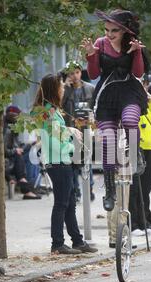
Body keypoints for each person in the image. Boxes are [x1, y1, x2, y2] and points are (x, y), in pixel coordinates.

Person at [82, 9, 149, 212]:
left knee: (130, 121)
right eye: (107, 29)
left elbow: (138, 72)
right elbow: (93, 74)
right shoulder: (100, 43)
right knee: (108, 142)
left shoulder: (132, 43)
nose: (109, 34)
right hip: (107, 93)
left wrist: (136, 53)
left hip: (129, 91)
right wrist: (91, 55)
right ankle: (109, 190)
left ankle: (136, 155)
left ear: (124, 31)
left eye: (114, 31)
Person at [34, 73, 97, 254]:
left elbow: (57, 136)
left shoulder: (51, 111)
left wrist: (68, 131)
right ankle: (58, 243)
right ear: (54, 89)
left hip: (61, 161)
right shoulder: (50, 113)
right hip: (59, 162)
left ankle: (76, 240)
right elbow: (54, 142)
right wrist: (73, 143)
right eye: (61, 87)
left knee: (69, 203)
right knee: (62, 203)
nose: (63, 90)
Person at [129, 85, 151, 236]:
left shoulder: (145, 106)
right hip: (137, 148)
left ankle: (144, 222)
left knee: (146, 188)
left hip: (149, 149)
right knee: (135, 189)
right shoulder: (131, 107)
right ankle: (134, 223)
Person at [62, 60, 96, 202]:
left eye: (77, 72)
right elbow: (60, 106)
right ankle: (75, 190)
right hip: (70, 130)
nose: (75, 76)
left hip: (86, 129)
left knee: (86, 160)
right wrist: (66, 88)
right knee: (73, 162)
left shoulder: (89, 88)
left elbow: (95, 107)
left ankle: (89, 188)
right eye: (71, 73)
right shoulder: (64, 89)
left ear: (80, 72)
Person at [4, 105, 41, 199]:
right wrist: (16, 150)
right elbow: (4, 151)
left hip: (15, 156)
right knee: (29, 157)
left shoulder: (12, 129)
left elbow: (17, 144)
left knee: (32, 153)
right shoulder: (7, 131)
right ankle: (28, 186)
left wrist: (29, 144)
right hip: (11, 159)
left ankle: (30, 185)